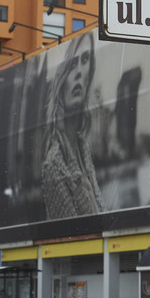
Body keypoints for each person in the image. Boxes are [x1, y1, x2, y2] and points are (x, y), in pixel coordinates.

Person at [41, 32, 104, 220]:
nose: (78, 72)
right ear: (62, 76)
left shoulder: (83, 150)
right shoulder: (54, 164)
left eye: (85, 60)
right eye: (71, 64)